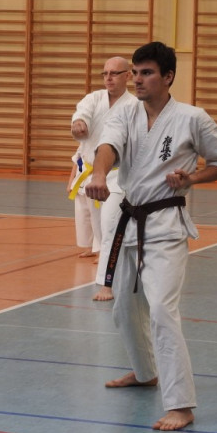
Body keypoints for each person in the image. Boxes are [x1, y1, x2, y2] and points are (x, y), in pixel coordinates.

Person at [85, 41, 217, 431]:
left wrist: (192, 178)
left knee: (163, 311)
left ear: (168, 77)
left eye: (146, 73)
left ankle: (181, 404)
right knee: (123, 308)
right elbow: (107, 146)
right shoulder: (125, 112)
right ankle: (145, 372)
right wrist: (99, 173)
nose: (137, 79)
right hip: (129, 220)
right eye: (135, 72)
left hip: (165, 226)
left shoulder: (192, 118)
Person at [69, 56, 135, 300]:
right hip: (91, 173)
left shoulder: (134, 105)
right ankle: (117, 276)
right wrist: (78, 123)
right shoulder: (94, 99)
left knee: (110, 227)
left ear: (128, 76)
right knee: (99, 226)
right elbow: (81, 114)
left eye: (114, 73)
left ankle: (107, 284)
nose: (108, 78)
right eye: (105, 73)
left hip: (117, 177)